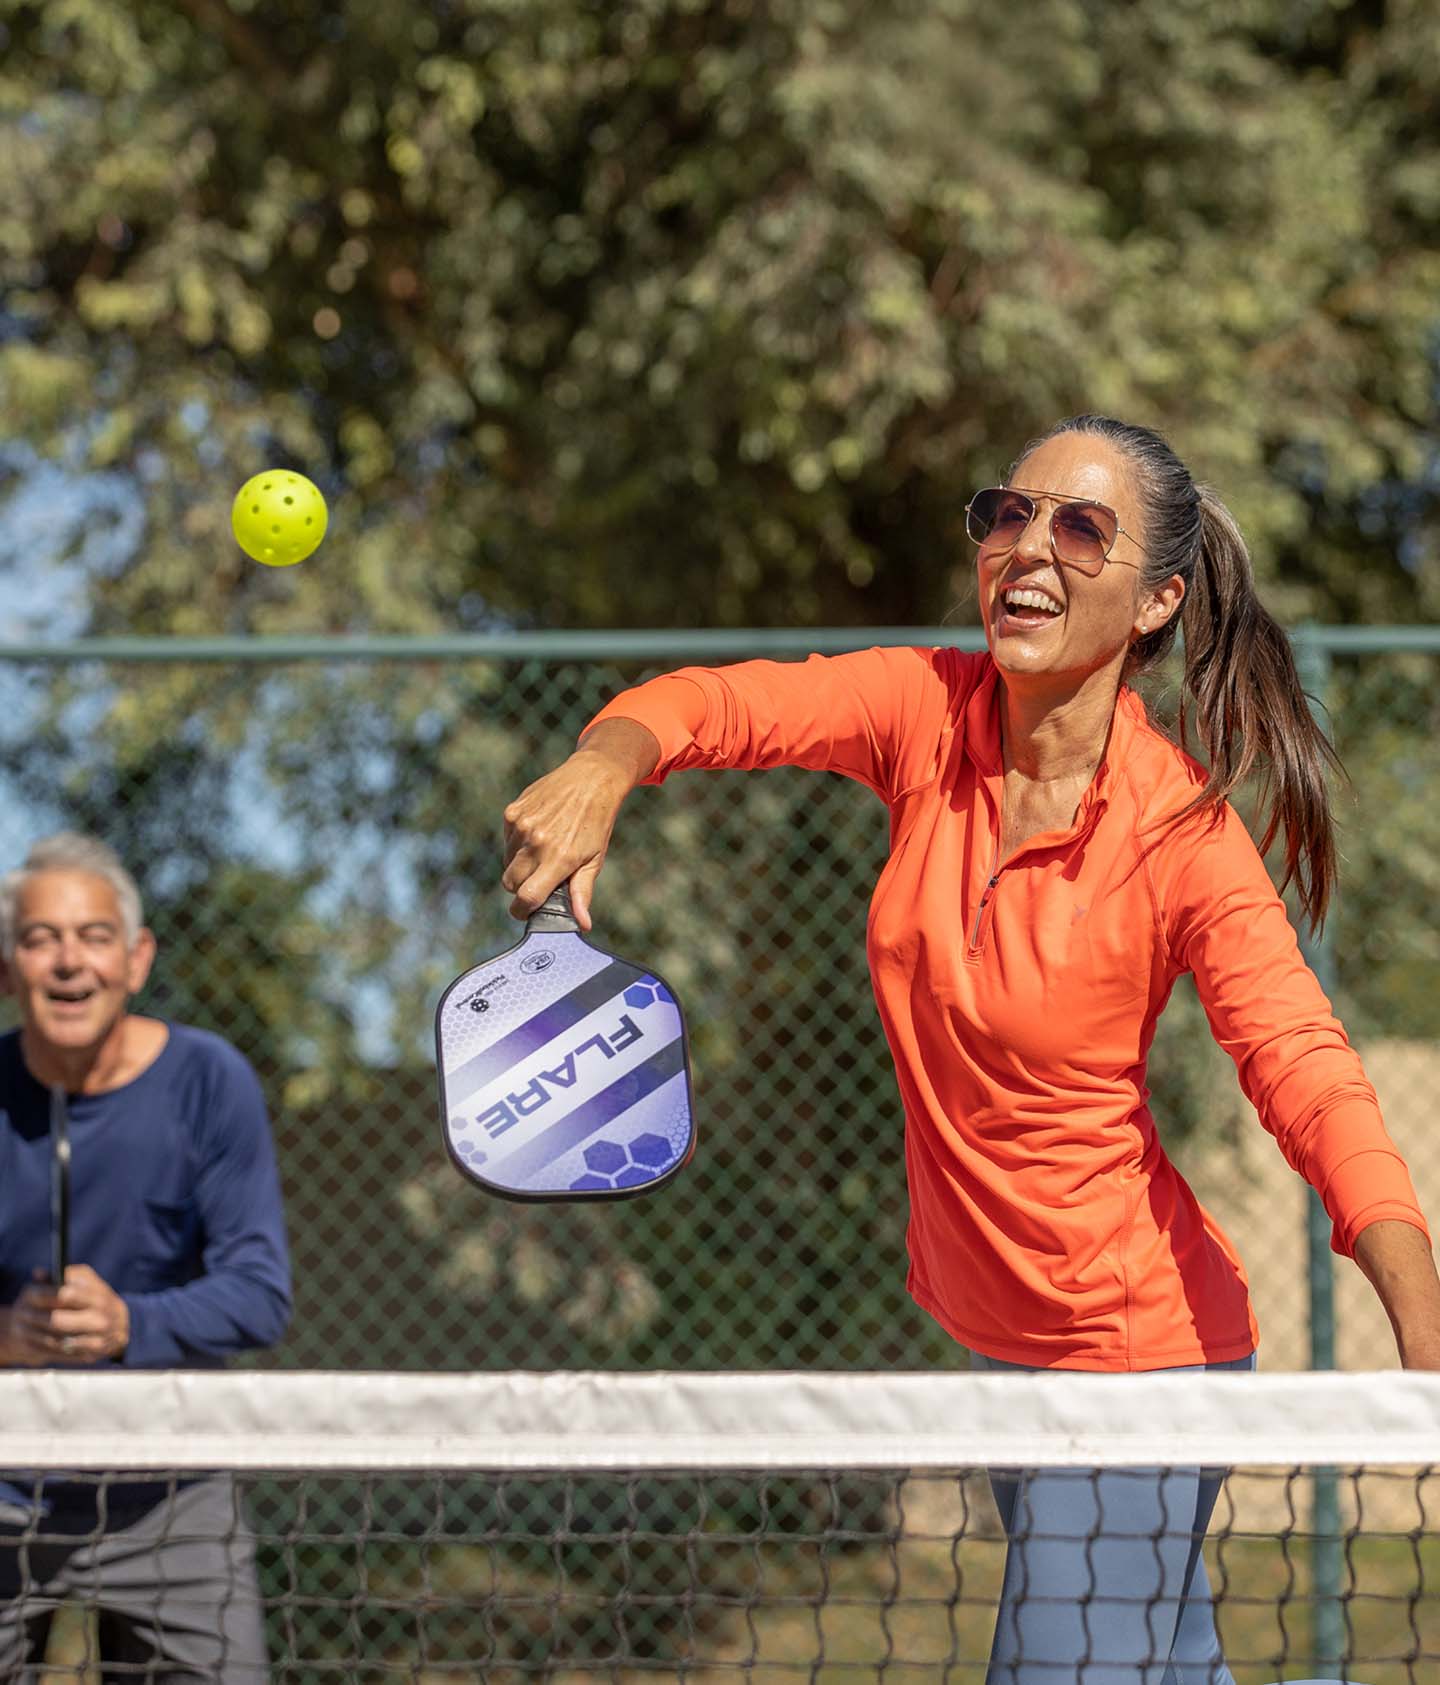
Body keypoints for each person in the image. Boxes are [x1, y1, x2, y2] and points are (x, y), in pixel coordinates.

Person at [498, 415, 1440, 1683]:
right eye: (1006, 513)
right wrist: (606, 762)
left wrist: (1422, 1332)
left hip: (1133, 1364)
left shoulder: (1183, 836)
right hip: (1004, 1341)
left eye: (1080, 527)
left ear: (1158, 600)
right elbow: (723, 702)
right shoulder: (925, 714)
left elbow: (1307, 1070)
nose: (1026, 547)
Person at [0, 832, 291, 1680]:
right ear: (7, 966)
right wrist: (9, 1338)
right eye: (39, 938)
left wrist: (129, 1322)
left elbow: (260, 1295)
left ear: (135, 959)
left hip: (171, 1490)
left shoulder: (211, 1079)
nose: (67, 962)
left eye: (92, 936)